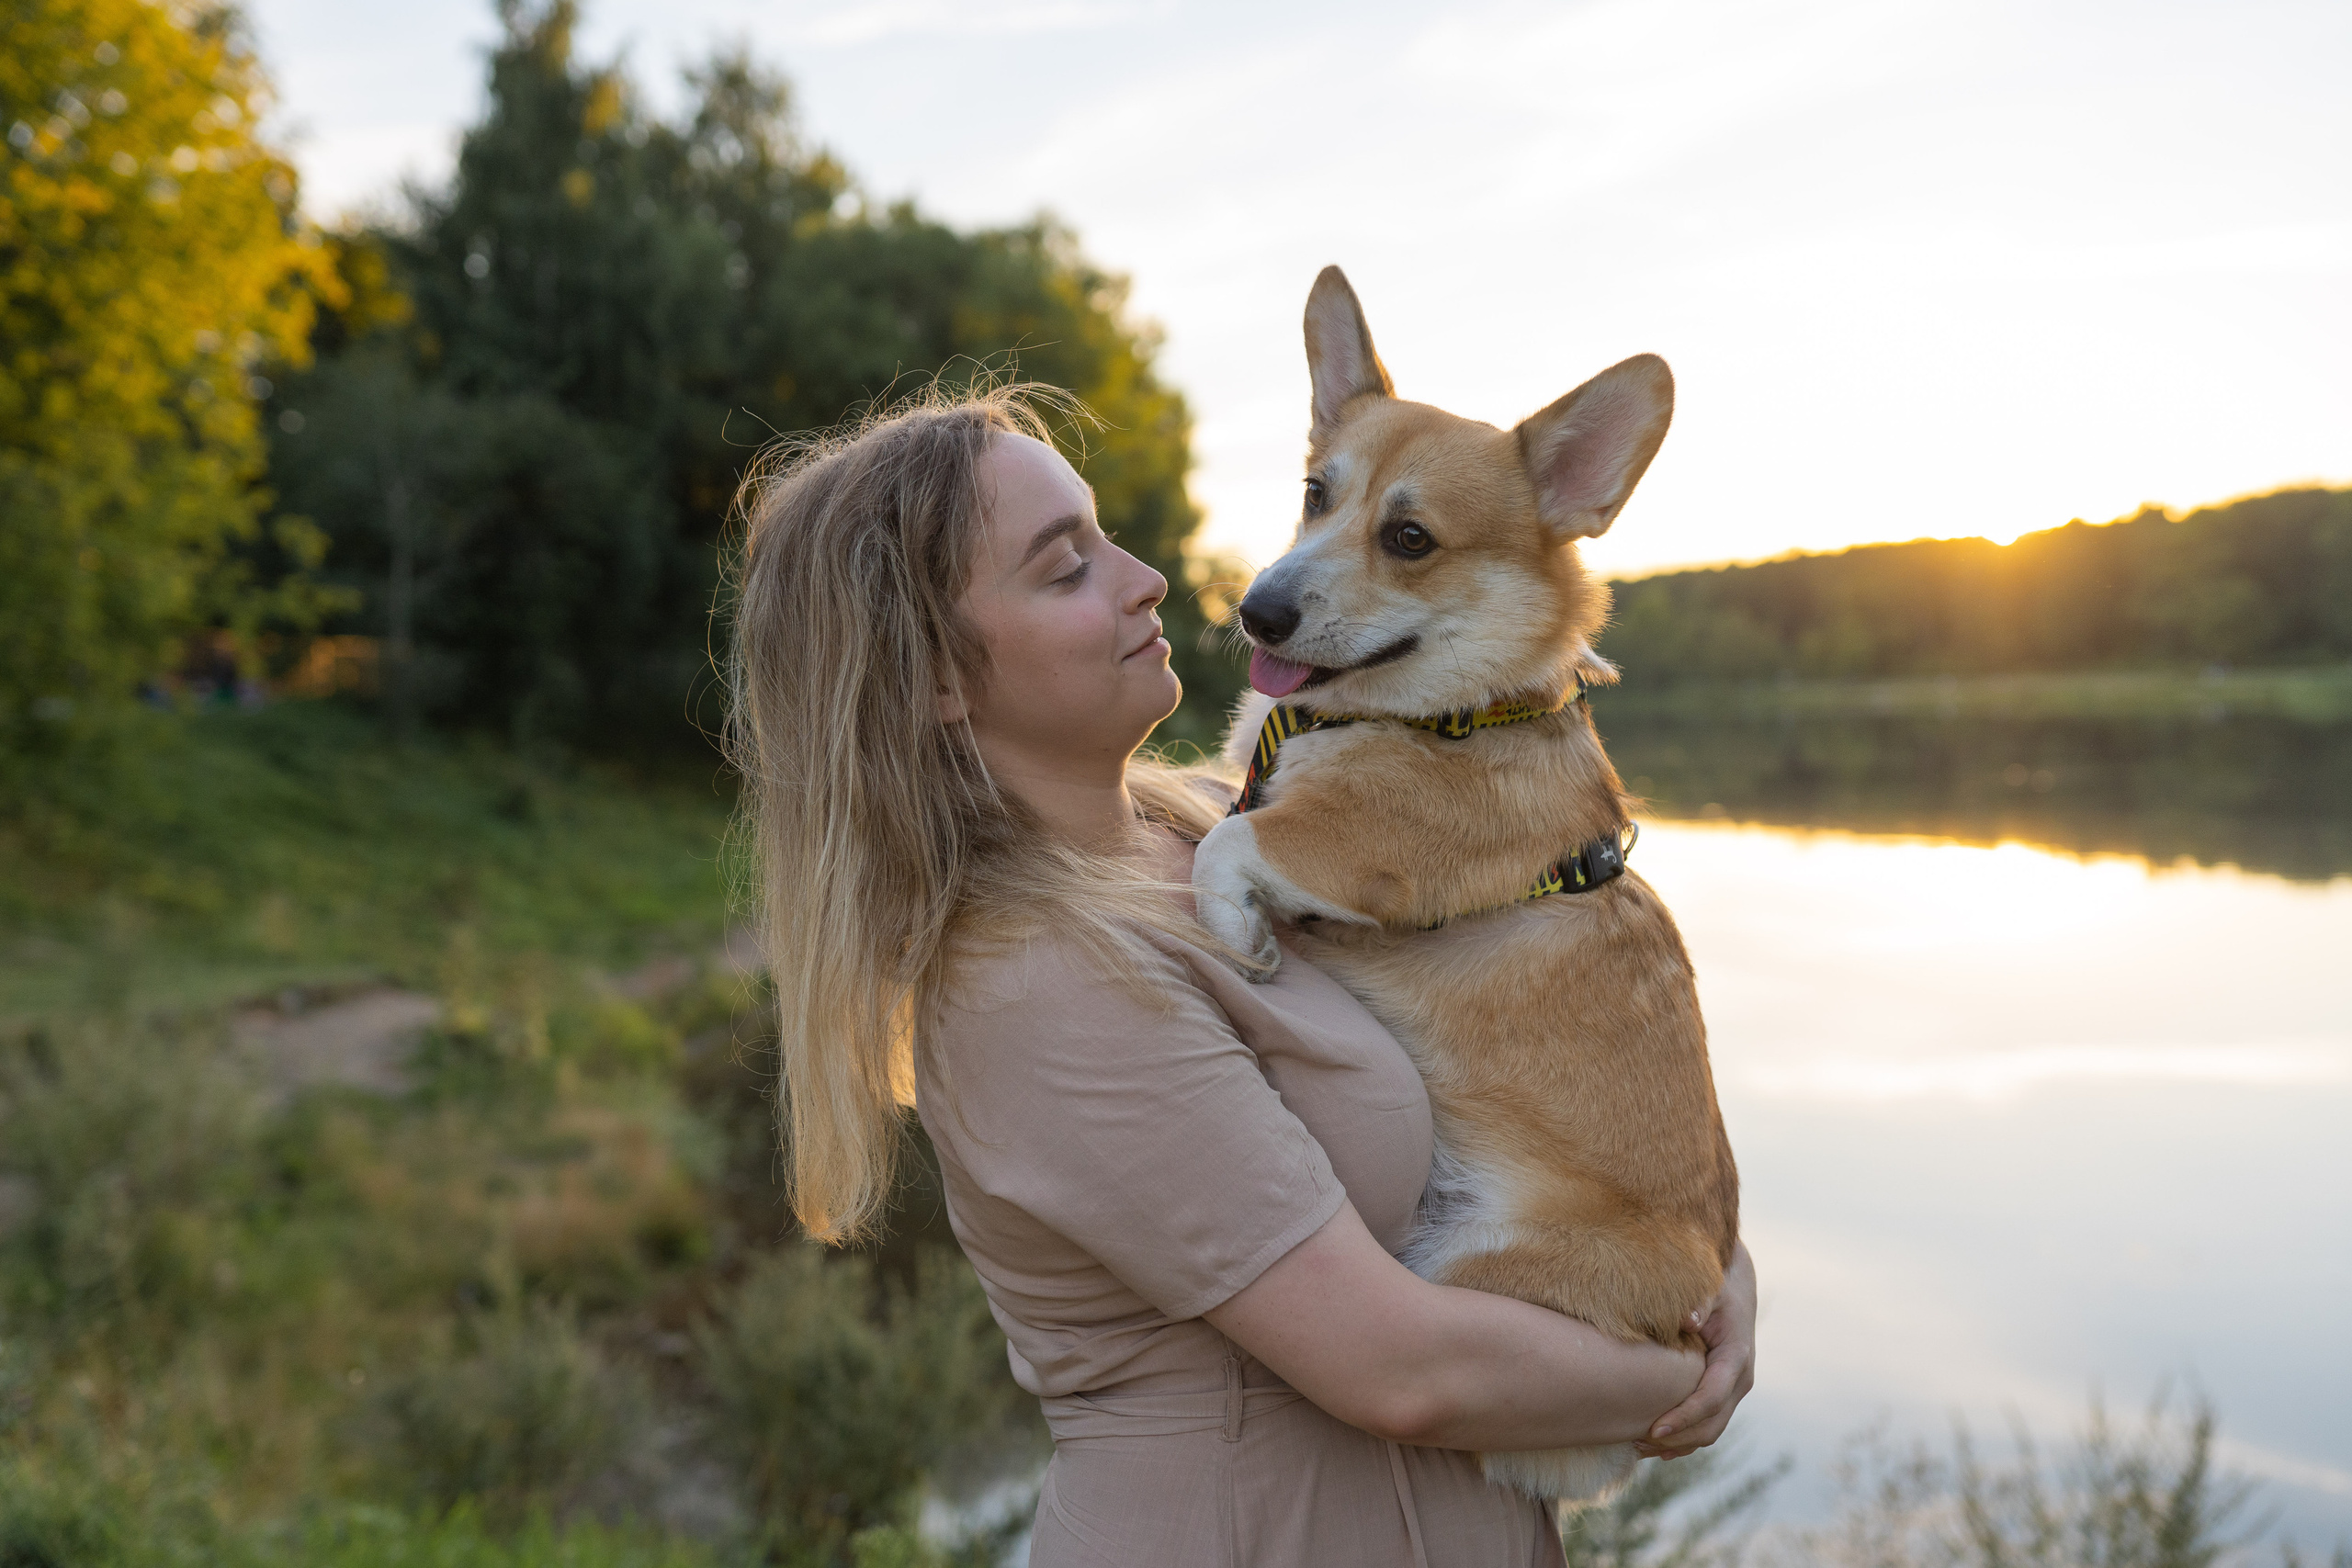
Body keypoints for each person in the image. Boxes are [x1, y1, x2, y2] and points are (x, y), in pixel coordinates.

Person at [727, 386, 1757, 1567]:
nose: (1149, 578)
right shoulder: (1034, 982)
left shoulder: (1224, 829)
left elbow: (1594, 1090)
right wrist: (1678, 1375)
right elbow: (1398, 1371)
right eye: (1066, 570)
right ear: (936, 679)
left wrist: (1719, 1279)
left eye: (1106, 534)